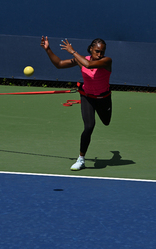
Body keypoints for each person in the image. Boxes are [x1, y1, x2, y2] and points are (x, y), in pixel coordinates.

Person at [41, 36, 112, 171]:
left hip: (104, 98)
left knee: (106, 121)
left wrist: (73, 51)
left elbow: (88, 65)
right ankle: (81, 159)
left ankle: (81, 158)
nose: (99, 54)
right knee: (89, 126)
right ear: (91, 49)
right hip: (87, 97)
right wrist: (48, 49)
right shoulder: (81, 60)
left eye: (102, 51)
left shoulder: (107, 61)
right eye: (96, 51)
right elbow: (59, 64)